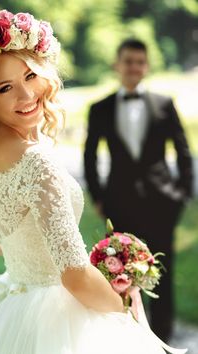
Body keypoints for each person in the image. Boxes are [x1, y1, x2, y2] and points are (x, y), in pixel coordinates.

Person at [0, 12, 186, 354]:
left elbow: (0, 244)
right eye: (5, 88)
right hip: (59, 319)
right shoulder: (36, 160)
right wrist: (122, 305)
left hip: (12, 304)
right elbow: (75, 276)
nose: (27, 95)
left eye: (30, 76)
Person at [84, 38, 193, 343]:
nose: (134, 67)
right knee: (121, 276)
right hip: (119, 204)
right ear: (117, 65)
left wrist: (181, 193)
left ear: (146, 66)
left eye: (140, 62)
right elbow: (89, 156)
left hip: (162, 202)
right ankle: (131, 340)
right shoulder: (100, 108)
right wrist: (99, 197)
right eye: (128, 61)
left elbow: (183, 151)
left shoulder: (163, 103)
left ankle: (163, 340)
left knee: (163, 273)